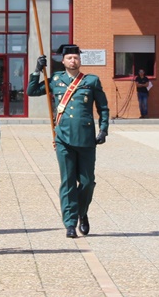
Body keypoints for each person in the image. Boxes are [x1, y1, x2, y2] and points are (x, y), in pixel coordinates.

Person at [27, 44, 109, 238]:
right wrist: (37, 70)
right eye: (69, 58)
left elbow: (103, 108)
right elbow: (32, 91)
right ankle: (70, 222)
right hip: (63, 138)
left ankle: (82, 211)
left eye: (76, 58)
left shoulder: (91, 81)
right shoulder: (56, 80)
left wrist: (103, 130)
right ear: (63, 61)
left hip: (87, 139)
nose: (73, 60)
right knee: (68, 181)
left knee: (88, 182)